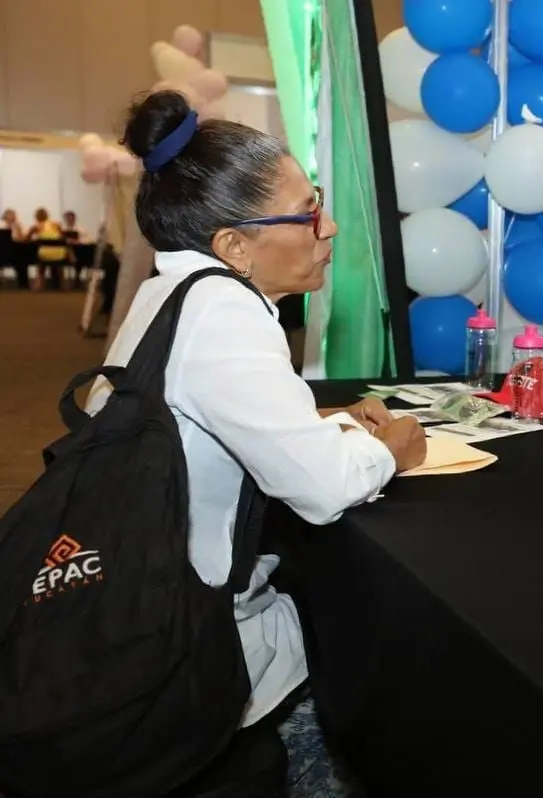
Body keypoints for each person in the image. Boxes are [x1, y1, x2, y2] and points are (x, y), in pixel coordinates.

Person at [86, 90, 428, 732]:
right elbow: (324, 486)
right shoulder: (224, 313)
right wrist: (395, 448)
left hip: (130, 604)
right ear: (235, 247)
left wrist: (332, 424)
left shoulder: (172, 290)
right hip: (197, 642)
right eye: (306, 215)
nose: (327, 229)